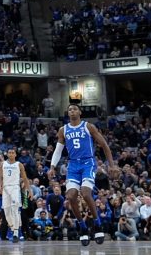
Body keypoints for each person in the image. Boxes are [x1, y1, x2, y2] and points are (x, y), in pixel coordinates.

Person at [47, 104, 117, 246]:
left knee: (85, 193)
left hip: (88, 163)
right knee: (71, 196)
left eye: (74, 109)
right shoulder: (63, 130)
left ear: (79, 112)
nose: (72, 110)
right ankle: (82, 227)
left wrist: (112, 165)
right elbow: (58, 150)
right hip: (73, 165)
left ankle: (97, 224)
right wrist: (52, 166)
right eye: (70, 109)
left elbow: (104, 145)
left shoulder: (88, 126)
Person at [0, 147, 27, 243]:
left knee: (15, 210)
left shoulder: (19, 164)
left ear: (15, 154)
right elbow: (0, 177)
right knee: (6, 212)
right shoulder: (3, 164)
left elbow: (25, 178)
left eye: (12, 153)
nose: (11, 154)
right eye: (9, 152)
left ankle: (15, 233)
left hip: (15, 188)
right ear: (7, 154)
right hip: (6, 188)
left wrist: (29, 190)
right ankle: (12, 227)